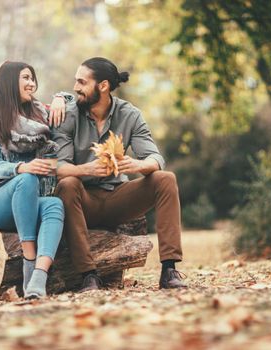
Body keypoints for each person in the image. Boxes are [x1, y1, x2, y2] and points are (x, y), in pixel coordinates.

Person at [52, 57, 186, 292]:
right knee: (68, 183)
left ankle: (169, 270)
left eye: (82, 82)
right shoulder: (68, 115)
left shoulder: (130, 114)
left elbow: (156, 158)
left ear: (103, 86)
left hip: (117, 197)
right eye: (76, 82)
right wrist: (86, 169)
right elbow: (59, 167)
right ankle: (89, 275)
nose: (76, 87)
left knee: (166, 179)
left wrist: (137, 165)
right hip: (82, 201)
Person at [0, 60, 68, 299]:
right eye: (25, 78)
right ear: (8, 82)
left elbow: (75, 104)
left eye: (33, 78)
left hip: (28, 203)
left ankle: (39, 277)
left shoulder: (38, 113)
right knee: (26, 179)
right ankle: (29, 261)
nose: (32, 83)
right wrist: (22, 167)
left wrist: (60, 97)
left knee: (55, 204)